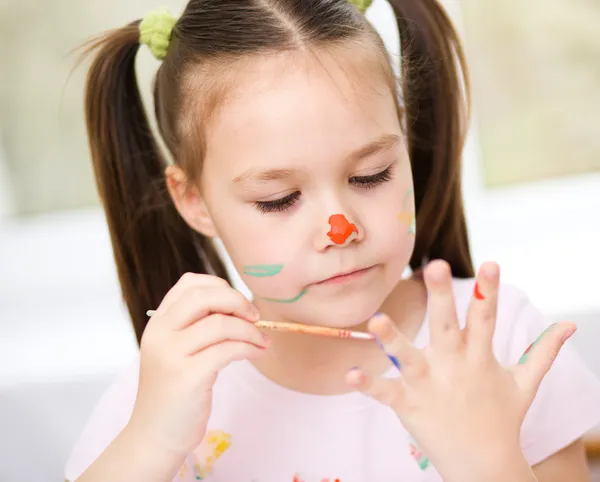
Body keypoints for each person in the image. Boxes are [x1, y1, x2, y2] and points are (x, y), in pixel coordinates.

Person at [65, 1, 600, 481]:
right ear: (194, 201)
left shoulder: (499, 345)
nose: (340, 228)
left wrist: (489, 464)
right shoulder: (171, 382)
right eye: (278, 198)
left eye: (370, 175)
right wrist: (154, 440)